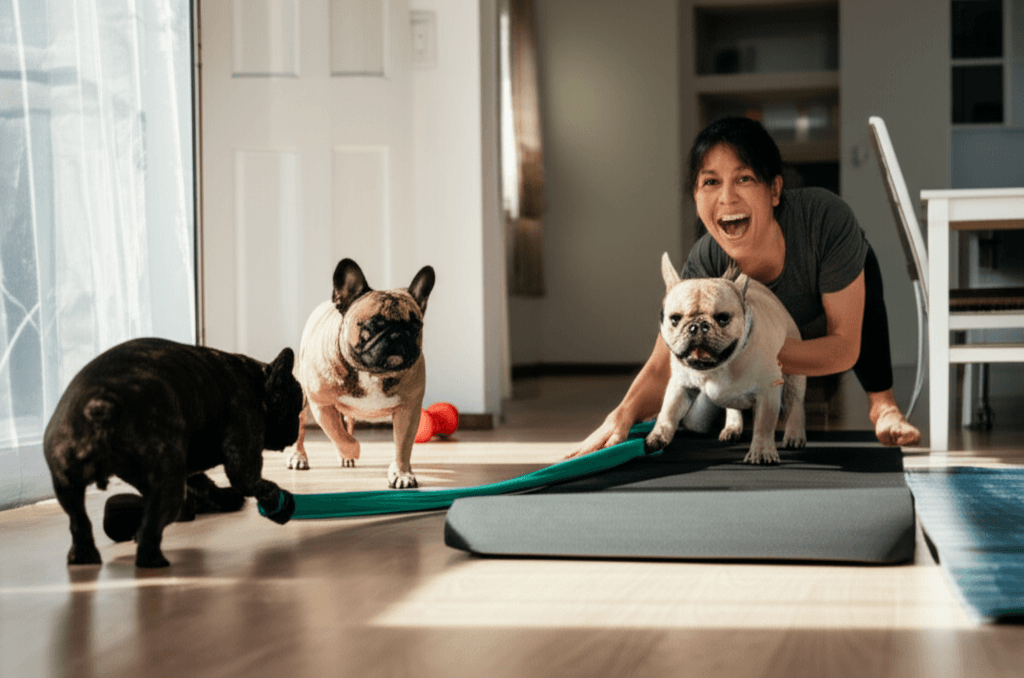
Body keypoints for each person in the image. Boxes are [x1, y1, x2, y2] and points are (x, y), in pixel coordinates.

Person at [569, 116, 921, 457]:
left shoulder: (824, 219)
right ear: (695, 197)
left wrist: (747, 350)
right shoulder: (705, 263)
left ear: (775, 190)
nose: (727, 197)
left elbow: (844, 349)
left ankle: (883, 405)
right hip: (750, 351)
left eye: (744, 179)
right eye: (710, 182)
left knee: (860, 265)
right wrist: (622, 414)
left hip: (817, 331)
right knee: (697, 421)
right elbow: (665, 364)